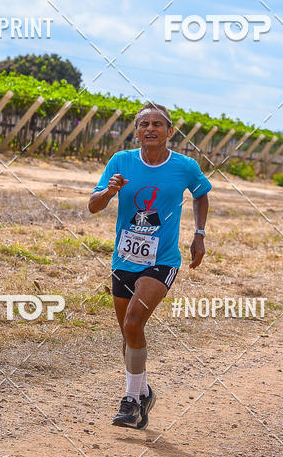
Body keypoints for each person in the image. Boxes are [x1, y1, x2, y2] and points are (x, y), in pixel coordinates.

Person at [88, 103, 211, 428]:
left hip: (162, 259)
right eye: (144, 124)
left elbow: (201, 194)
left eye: (158, 124)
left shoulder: (184, 166)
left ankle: (129, 402)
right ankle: (142, 393)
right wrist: (110, 191)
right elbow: (93, 206)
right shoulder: (121, 161)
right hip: (124, 258)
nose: (150, 129)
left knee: (132, 323)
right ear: (137, 131)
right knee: (129, 334)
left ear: (170, 131)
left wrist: (199, 233)